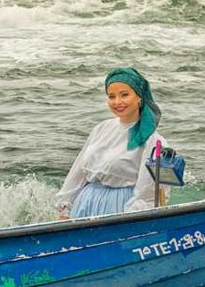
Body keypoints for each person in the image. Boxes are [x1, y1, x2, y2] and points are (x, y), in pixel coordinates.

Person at [55, 67, 165, 219]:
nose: (117, 102)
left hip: (121, 209)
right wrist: (65, 208)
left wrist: (131, 219)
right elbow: (78, 172)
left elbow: (148, 192)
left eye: (124, 95)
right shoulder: (101, 129)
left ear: (139, 97)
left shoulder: (153, 141)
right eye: (111, 96)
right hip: (84, 206)